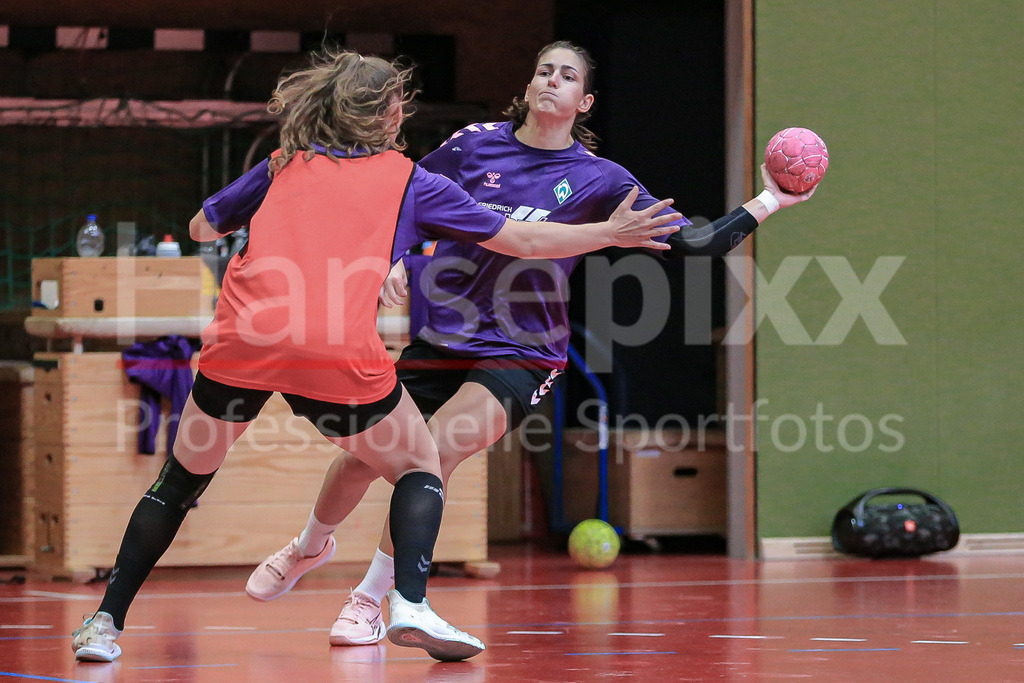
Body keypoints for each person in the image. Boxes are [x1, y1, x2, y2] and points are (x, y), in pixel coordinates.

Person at [68, 47, 680, 665]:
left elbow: (202, 228)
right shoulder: (409, 179)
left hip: (242, 347)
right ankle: (406, 603)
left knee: (177, 485)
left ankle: (103, 623)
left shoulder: (283, 161)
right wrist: (609, 234)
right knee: (420, 463)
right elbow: (522, 238)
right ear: (389, 118)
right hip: (331, 355)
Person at [245, 40, 815, 646]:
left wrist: (772, 200)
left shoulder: (601, 181)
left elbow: (697, 244)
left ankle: (371, 599)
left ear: (583, 100)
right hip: (440, 337)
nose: (552, 80)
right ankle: (310, 546)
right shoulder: (472, 145)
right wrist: (394, 257)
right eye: (544, 70)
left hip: (521, 351)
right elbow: (397, 200)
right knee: (361, 454)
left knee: (433, 452)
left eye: (567, 76)